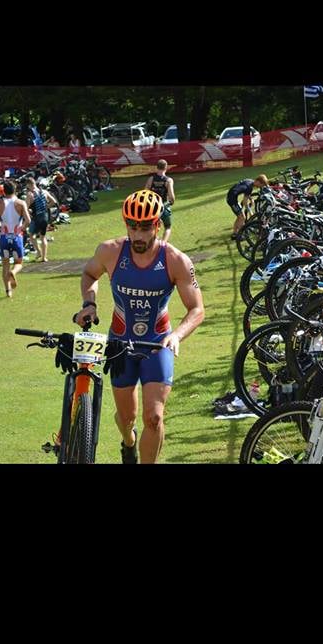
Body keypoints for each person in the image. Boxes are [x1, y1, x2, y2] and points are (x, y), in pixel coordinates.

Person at [74, 189, 205, 464]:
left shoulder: (176, 260)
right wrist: (90, 303)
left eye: (145, 228)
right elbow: (89, 274)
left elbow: (197, 309)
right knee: (126, 418)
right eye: (132, 227)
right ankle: (128, 441)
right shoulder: (110, 251)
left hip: (157, 343)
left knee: (154, 417)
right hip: (120, 344)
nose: (138, 235)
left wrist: (177, 335)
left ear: (157, 225)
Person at [0, 180, 31, 297]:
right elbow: (28, 220)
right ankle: (14, 272)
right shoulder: (21, 203)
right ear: (15, 190)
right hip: (17, 236)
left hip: (4, 237)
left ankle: (8, 291)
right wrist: (21, 228)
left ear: (4, 191)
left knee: (5, 265)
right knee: (19, 263)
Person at [25, 176, 58, 262]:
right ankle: (44, 257)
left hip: (36, 218)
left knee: (31, 235)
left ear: (28, 185)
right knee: (43, 237)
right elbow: (54, 201)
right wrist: (47, 207)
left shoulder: (30, 194)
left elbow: (26, 208)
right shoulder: (44, 191)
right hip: (45, 216)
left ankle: (38, 251)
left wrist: (29, 212)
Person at [145, 159, 175, 242]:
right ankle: (163, 243)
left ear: (157, 167)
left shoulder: (151, 179)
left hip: (152, 206)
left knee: (152, 226)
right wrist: (170, 203)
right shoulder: (168, 180)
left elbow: (145, 193)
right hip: (163, 206)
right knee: (167, 227)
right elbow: (172, 197)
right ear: (166, 167)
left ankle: (152, 241)